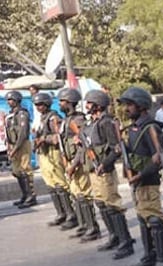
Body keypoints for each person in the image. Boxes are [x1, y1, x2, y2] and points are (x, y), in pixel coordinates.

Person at [117, 87, 163, 266]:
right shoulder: (135, 127)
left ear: (141, 106)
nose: (126, 109)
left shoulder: (150, 127)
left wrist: (140, 174)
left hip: (147, 180)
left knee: (155, 220)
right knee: (143, 217)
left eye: (130, 105)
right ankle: (150, 255)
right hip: (138, 182)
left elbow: (158, 157)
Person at [83, 89, 135, 260]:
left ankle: (125, 241)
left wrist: (105, 164)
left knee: (113, 205)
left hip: (104, 170)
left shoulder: (106, 123)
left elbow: (116, 148)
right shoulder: (93, 123)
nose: (87, 106)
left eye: (89, 103)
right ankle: (114, 236)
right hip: (93, 170)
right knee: (101, 203)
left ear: (98, 105)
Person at [33, 92, 76, 228]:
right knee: (51, 185)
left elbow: (58, 138)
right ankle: (61, 213)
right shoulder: (42, 118)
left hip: (53, 153)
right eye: (36, 105)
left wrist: (43, 139)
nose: (38, 107)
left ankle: (71, 214)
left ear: (46, 104)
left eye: (40, 104)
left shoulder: (53, 118)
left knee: (60, 184)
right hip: (44, 154)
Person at [57, 88, 95, 236]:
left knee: (84, 195)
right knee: (76, 193)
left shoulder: (77, 120)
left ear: (70, 102)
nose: (60, 104)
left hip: (78, 162)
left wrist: (74, 164)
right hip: (70, 160)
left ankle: (92, 227)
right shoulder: (66, 120)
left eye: (62, 101)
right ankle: (83, 224)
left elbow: (82, 145)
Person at [4, 90, 37, 208]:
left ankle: (31, 196)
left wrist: (16, 147)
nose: (9, 102)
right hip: (13, 145)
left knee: (25, 170)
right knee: (17, 171)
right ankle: (25, 194)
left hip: (22, 144)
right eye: (8, 100)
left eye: (11, 100)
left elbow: (23, 133)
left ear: (17, 100)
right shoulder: (10, 115)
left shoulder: (22, 114)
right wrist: (10, 147)